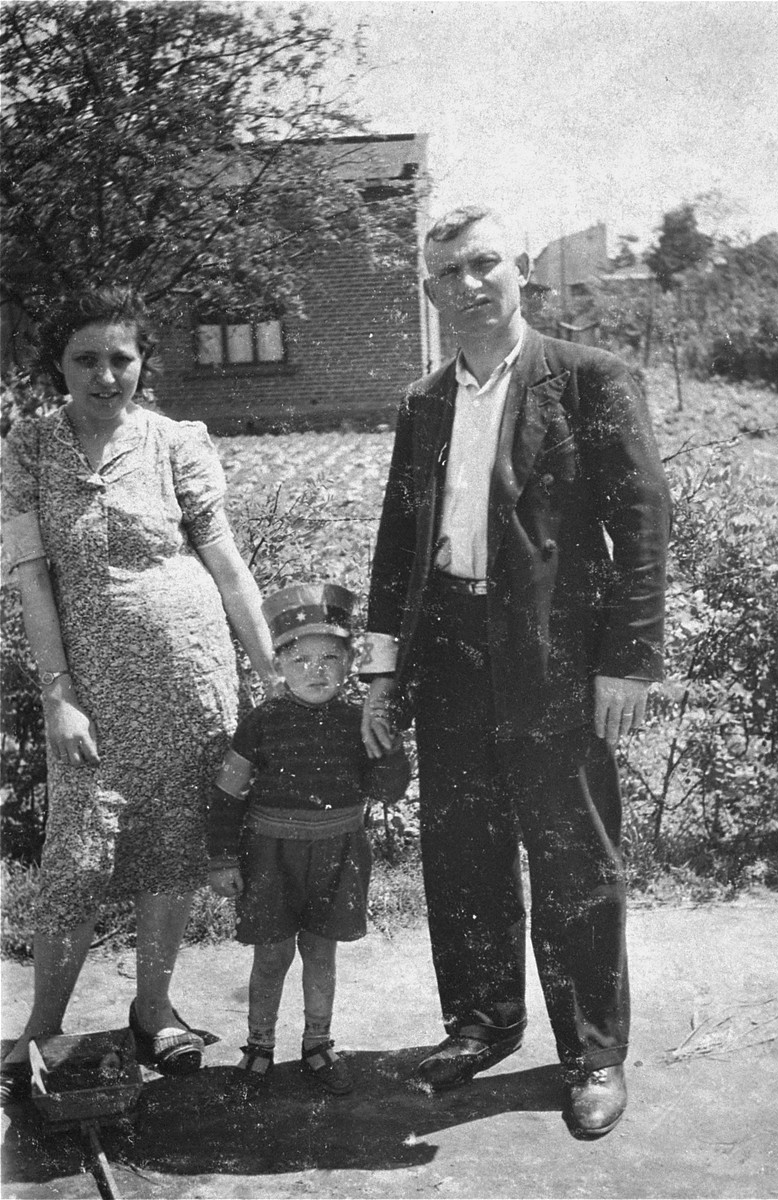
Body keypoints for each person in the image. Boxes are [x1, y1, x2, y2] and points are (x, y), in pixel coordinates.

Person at [360, 206, 671, 1138]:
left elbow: (644, 524)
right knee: (463, 853)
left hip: (556, 657)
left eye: (484, 263)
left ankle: (592, 1054)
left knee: (574, 855)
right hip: (448, 649)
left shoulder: (590, 380)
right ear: (430, 290)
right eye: (448, 272)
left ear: (520, 269)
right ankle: (484, 1025)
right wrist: (382, 675)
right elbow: (396, 544)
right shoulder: (423, 402)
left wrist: (628, 661)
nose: (468, 283)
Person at [1, 286, 279, 1103]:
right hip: (94, 695)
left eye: (121, 358)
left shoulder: (175, 442)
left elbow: (225, 565)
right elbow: (31, 581)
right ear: (58, 365)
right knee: (78, 861)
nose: (105, 375)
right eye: (86, 359)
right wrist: (59, 694)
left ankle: (154, 1010)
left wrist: (269, 678)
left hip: (192, 676)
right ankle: (41, 1029)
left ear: (143, 362)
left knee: (176, 848)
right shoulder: (30, 449)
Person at [208, 582, 409, 1095]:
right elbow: (227, 796)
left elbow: (387, 790)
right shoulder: (261, 723)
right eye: (300, 660)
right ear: (278, 665)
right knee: (271, 956)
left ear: (349, 664)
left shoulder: (358, 721)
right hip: (271, 856)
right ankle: (258, 1046)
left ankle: (318, 1043)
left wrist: (390, 745)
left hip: (339, 853)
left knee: (321, 953)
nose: (315, 671)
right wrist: (222, 858)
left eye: (330, 658)